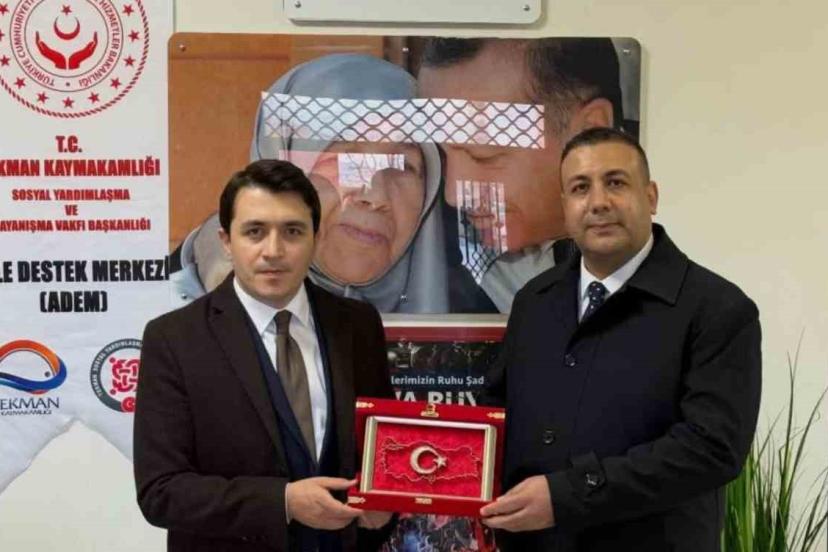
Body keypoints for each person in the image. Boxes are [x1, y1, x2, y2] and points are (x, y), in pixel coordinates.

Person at [478, 128, 761, 551]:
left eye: (615, 182)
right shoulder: (533, 302)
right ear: (565, 207)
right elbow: (496, 411)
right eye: (580, 188)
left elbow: (711, 448)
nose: (598, 203)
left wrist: (568, 495)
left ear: (651, 196)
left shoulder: (718, 309)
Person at [135, 159, 395, 551]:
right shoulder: (174, 339)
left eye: (292, 231)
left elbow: (382, 449)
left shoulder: (358, 325)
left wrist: (384, 504)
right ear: (227, 241)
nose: (273, 251)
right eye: (254, 231)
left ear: (316, 237)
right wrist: (283, 502)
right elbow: (161, 491)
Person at [171, 53, 449, 314]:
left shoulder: (467, 322)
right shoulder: (170, 314)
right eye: (346, 158)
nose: (376, 196)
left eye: (403, 165)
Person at [417, 38, 625, 312]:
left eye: (484, 156)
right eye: (441, 157)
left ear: (590, 130)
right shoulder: (437, 252)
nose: (453, 195)